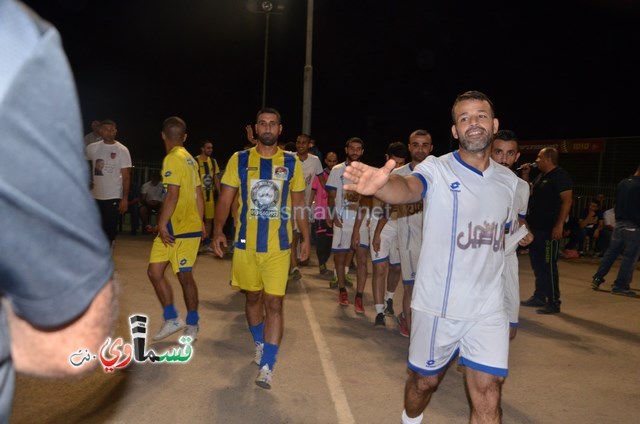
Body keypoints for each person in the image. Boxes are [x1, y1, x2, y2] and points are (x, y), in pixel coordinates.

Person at [343, 91, 522, 424]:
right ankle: (410, 420)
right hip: (438, 304)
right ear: (455, 130)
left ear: (494, 125)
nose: (473, 123)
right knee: (424, 384)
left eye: (481, 116)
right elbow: (408, 188)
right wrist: (382, 187)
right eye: (464, 118)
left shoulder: (510, 182)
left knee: (489, 391)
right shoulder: (437, 168)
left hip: (488, 308)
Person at [0, 1, 116, 420]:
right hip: (86, 198)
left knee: (109, 234)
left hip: (106, 199)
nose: (109, 132)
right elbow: (72, 339)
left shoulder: (120, 151)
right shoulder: (14, 40)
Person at [212, 108, 309, 390]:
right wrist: (218, 231)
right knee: (253, 298)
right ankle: (259, 342)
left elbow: (300, 202)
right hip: (245, 245)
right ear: (255, 129)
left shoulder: (291, 163)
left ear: (280, 129)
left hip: (279, 247)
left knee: (274, 303)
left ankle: (268, 363)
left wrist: (305, 238)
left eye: (273, 124)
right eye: (263, 124)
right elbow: (226, 198)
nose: (268, 128)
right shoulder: (239, 159)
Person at [147, 117, 204, 342]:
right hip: (175, 227)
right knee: (154, 272)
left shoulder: (173, 159)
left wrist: (160, 223)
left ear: (163, 135)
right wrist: (203, 222)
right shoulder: (191, 159)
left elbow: (173, 194)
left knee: (184, 276)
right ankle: (172, 319)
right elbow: (199, 193)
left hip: (182, 229)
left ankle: (193, 323)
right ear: (185, 137)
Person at [491, 130, 534, 340]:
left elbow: (521, 218)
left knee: (510, 326)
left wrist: (526, 232)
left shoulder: (523, 187)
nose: (504, 159)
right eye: (499, 152)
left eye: (510, 153)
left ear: (517, 157)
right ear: (490, 152)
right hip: (481, 257)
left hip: (508, 257)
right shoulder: (476, 182)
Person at [521, 147, 572, 314]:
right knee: (538, 264)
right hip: (537, 230)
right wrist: (526, 175)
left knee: (549, 266)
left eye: (539, 157)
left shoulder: (560, 176)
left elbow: (567, 201)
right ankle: (539, 296)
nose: (536, 160)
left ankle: (554, 301)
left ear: (548, 159)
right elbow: (529, 194)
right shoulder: (542, 176)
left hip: (550, 231)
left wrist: (559, 225)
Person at [393, 129, 434, 337]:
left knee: (431, 294)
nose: (420, 149)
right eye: (416, 145)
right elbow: (385, 206)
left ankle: (427, 333)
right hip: (410, 244)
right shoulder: (398, 175)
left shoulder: (439, 174)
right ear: (409, 147)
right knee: (410, 289)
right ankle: (412, 333)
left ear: (431, 148)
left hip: (435, 246)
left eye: (425, 145)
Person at [326, 137, 370, 311]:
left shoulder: (367, 172)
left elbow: (366, 201)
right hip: (342, 220)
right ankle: (342, 290)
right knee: (340, 257)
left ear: (362, 152)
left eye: (358, 149)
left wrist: (358, 229)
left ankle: (359, 296)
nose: (355, 152)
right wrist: (332, 214)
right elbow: (331, 196)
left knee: (361, 259)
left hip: (361, 220)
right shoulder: (337, 170)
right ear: (346, 150)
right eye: (352, 148)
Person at [366, 142, 406, 327]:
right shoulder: (377, 177)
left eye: (400, 163)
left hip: (401, 226)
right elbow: (384, 208)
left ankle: (389, 298)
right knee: (380, 269)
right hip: (379, 227)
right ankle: (379, 311)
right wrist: (375, 233)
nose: (397, 167)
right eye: (394, 162)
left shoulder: (407, 177)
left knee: (396, 268)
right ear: (386, 158)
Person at [591, 165, 640, 296]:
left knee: (611, 253)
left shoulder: (622, 183)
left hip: (619, 223)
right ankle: (620, 286)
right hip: (633, 225)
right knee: (629, 257)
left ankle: (597, 278)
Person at [86, 119, 132, 245]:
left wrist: (125, 198)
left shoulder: (122, 150)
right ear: (101, 131)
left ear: (116, 131)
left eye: (112, 130)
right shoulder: (92, 148)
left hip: (113, 195)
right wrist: (87, 178)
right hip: (94, 195)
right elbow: (83, 163)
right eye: (106, 129)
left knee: (109, 229)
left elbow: (126, 176)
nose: (109, 132)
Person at [289, 134, 324, 279]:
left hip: (306, 205)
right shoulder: (289, 157)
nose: (300, 145)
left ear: (309, 145)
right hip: (290, 204)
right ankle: (293, 266)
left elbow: (322, 180)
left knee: (302, 235)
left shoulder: (315, 161)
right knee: (293, 236)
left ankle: (296, 260)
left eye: (304, 143)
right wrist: (254, 141)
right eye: (298, 142)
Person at [310, 151, 339, 278]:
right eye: (329, 161)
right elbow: (312, 192)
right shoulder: (319, 176)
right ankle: (322, 264)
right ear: (326, 161)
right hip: (320, 213)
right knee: (322, 242)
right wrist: (308, 209)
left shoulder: (339, 175)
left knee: (331, 241)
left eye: (334, 161)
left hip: (334, 214)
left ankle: (335, 265)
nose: (332, 163)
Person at [196, 140, 221, 252]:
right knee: (198, 220)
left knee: (209, 220)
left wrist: (220, 193)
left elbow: (215, 178)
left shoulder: (213, 161)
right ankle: (197, 243)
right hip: (198, 196)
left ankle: (206, 243)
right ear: (202, 148)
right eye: (208, 148)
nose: (210, 150)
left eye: (211, 148)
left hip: (210, 195)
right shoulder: (195, 160)